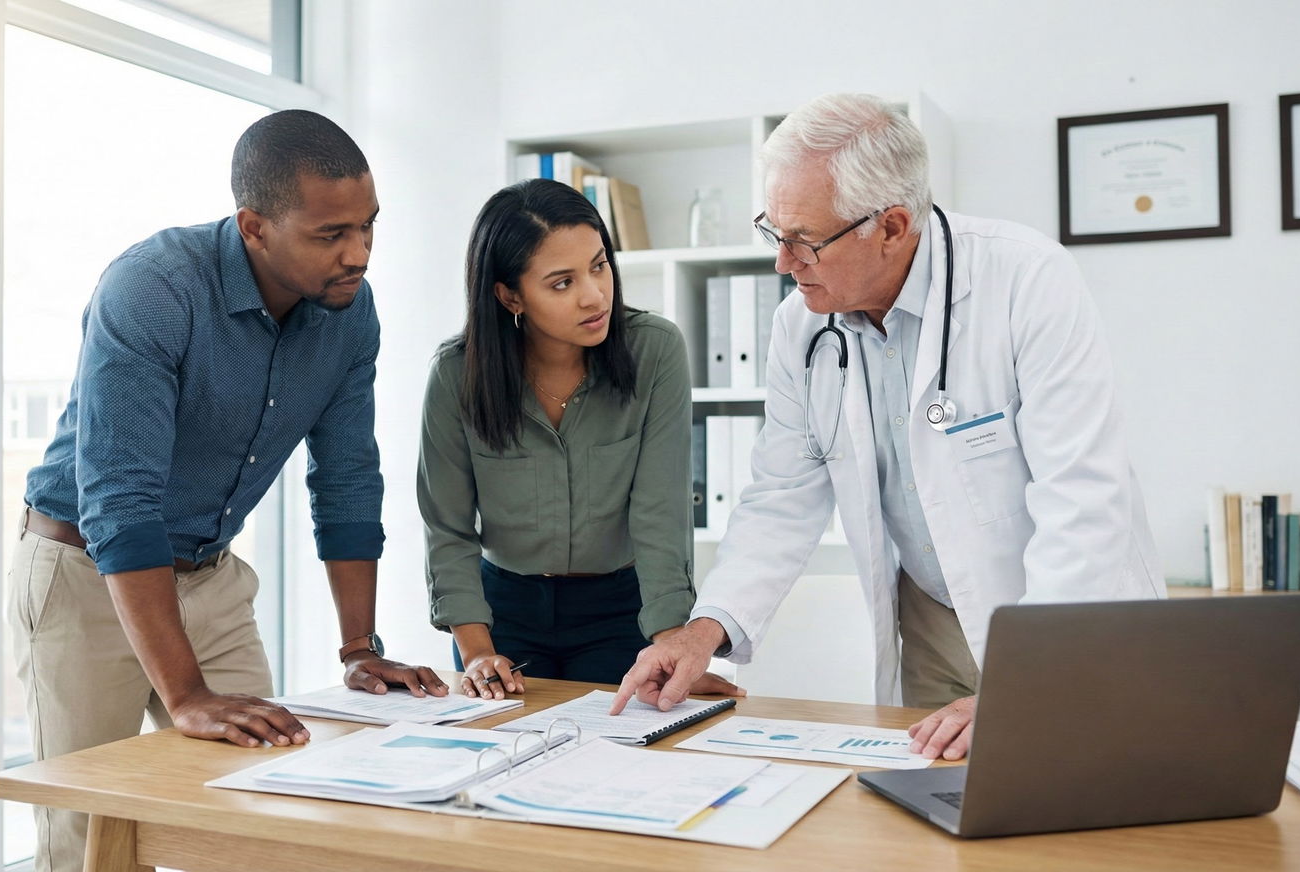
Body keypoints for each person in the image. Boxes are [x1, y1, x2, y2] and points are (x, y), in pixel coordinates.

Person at [611, 93, 1164, 761]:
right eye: (774, 232)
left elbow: (1083, 501)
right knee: (939, 821)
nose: (782, 264)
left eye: (804, 241)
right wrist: (702, 632)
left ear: (893, 226)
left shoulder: (1026, 280)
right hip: (931, 620)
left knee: (1081, 815)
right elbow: (781, 495)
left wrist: (1028, 682)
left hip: (1062, 618)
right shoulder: (801, 327)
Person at [8, 109, 446, 872]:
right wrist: (184, 697)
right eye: (330, 234)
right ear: (254, 226)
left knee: (259, 817)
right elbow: (121, 501)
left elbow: (346, 477)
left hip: (209, 579)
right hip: (84, 579)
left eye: (368, 226)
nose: (359, 254)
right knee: (92, 842)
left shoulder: (350, 314)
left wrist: (357, 647)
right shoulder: (154, 288)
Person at [417, 178, 743, 700]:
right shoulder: (457, 375)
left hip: (623, 611)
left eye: (599, 265)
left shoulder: (654, 351)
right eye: (562, 282)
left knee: (624, 763)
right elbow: (448, 526)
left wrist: (673, 646)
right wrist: (477, 651)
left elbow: (660, 511)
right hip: (500, 615)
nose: (595, 295)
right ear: (508, 295)